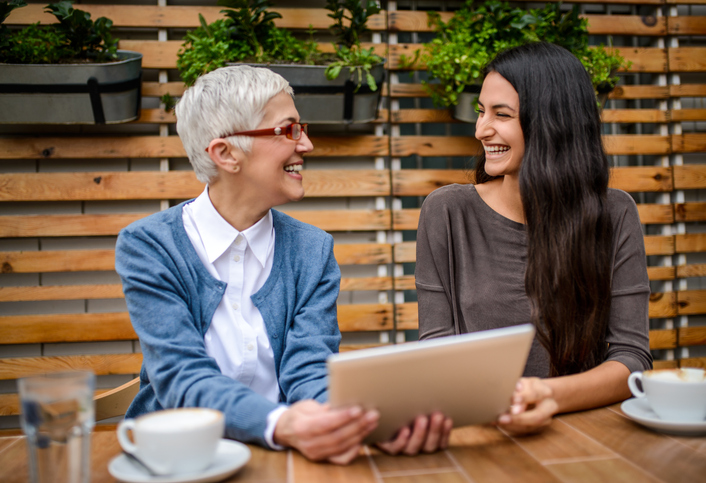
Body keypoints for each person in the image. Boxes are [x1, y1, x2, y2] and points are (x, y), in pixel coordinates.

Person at [116, 65, 446, 464]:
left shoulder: (312, 249)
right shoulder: (151, 245)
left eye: (301, 128)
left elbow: (310, 370)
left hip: (288, 457)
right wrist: (281, 423)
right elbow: (182, 376)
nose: (306, 144)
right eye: (289, 130)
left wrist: (361, 424)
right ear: (225, 154)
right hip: (179, 460)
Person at [415, 42, 653, 435]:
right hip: (481, 430)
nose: (481, 129)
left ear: (552, 122)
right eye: (481, 111)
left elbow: (632, 358)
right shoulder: (447, 211)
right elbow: (436, 347)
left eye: (501, 115)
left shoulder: (614, 213)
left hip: (587, 433)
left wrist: (549, 395)